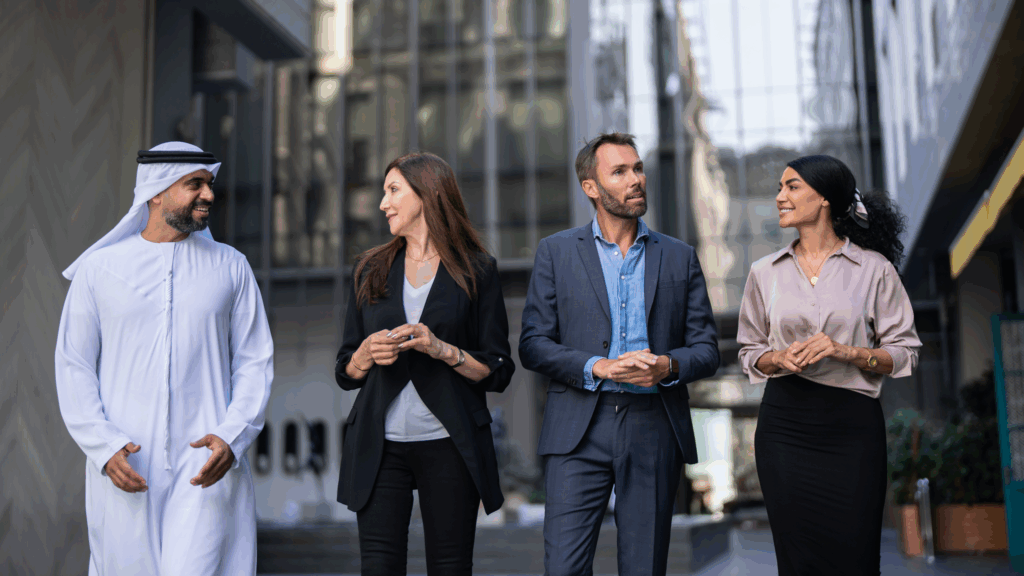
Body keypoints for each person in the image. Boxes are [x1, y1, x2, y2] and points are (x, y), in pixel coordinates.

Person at [55, 142, 274, 575]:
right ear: (156, 191)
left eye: (209, 184)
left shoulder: (232, 267)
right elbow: (73, 365)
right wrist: (103, 445)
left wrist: (233, 435)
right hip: (125, 463)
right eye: (195, 184)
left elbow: (254, 361)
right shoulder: (100, 271)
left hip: (206, 464)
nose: (209, 195)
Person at [518, 132, 720, 576]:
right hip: (577, 430)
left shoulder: (680, 257)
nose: (636, 179)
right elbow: (532, 344)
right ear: (591, 187)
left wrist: (667, 367)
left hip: (653, 427)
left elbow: (707, 350)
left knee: (644, 568)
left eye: (638, 168)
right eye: (620, 171)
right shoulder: (556, 252)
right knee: (564, 569)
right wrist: (599, 366)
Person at [737, 154, 922, 575]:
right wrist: (778, 357)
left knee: (856, 556)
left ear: (823, 199)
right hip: (785, 426)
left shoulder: (875, 269)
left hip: (852, 428)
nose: (780, 197)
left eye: (791, 187)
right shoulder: (763, 273)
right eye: (780, 188)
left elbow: (905, 351)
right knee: (797, 558)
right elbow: (749, 352)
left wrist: (847, 352)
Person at [334, 152, 515, 575]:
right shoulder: (368, 269)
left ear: (428, 193)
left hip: (450, 443)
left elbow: (499, 368)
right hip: (379, 447)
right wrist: (363, 355)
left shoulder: (478, 270)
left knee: (450, 567)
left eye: (393, 190)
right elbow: (345, 369)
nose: (383, 203)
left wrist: (442, 349)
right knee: (378, 568)